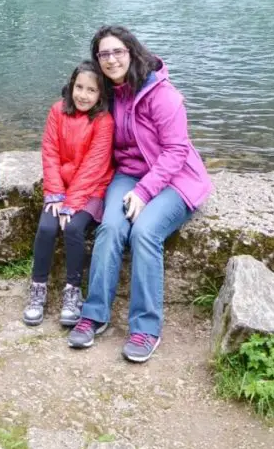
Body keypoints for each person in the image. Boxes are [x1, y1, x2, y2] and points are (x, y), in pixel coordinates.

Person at [67, 26, 212, 362]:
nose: (111, 59)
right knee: (112, 227)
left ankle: (146, 327)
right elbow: (75, 113)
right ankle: (94, 314)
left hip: (175, 178)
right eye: (104, 54)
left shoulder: (163, 94)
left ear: (131, 52)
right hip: (129, 173)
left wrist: (145, 192)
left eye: (117, 51)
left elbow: (176, 151)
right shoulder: (108, 92)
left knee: (145, 232)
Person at [23, 61, 114, 328]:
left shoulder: (104, 121)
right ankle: (38, 287)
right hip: (60, 188)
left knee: (73, 228)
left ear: (101, 95)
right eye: (79, 87)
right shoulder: (57, 111)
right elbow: (49, 151)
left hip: (92, 190)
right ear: (71, 86)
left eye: (91, 90)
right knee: (47, 227)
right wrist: (54, 194)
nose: (83, 95)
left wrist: (72, 204)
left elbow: (94, 166)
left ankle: (72, 291)